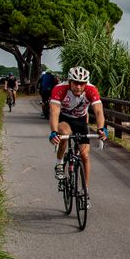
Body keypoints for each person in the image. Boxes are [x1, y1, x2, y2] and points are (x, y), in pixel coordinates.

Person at [48, 66, 107, 204]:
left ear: (86, 83)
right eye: (75, 83)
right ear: (69, 81)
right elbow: (54, 112)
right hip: (64, 118)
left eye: (82, 83)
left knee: (85, 155)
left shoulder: (92, 90)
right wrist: (53, 132)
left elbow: (98, 111)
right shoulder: (59, 89)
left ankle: (85, 190)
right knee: (65, 134)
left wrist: (101, 129)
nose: (78, 87)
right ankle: (59, 164)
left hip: (81, 120)